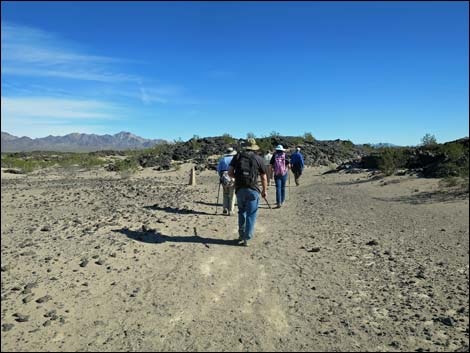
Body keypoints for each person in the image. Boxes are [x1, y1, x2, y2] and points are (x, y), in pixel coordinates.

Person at [228, 138, 267, 246]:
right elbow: (264, 177)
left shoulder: (238, 157)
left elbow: (229, 172)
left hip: (240, 189)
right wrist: (264, 190)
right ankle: (247, 238)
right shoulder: (258, 158)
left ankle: (241, 235)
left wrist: (238, 178)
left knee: (242, 212)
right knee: (251, 214)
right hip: (253, 189)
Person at [216, 147, 237, 215]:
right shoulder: (234, 159)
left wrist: (221, 176)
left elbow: (219, 169)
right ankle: (231, 210)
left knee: (225, 194)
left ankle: (225, 208)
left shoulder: (222, 159)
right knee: (232, 194)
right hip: (232, 178)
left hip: (224, 178)